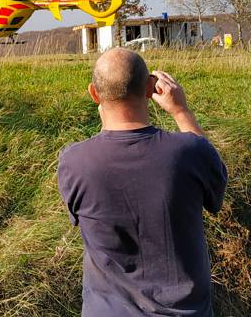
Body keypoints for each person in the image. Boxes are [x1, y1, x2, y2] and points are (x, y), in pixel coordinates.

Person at [57, 48, 227, 317]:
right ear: (151, 88)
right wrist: (181, 111)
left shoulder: (74, 162)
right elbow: (215, 184)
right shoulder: (190, 152)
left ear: (93, 93)